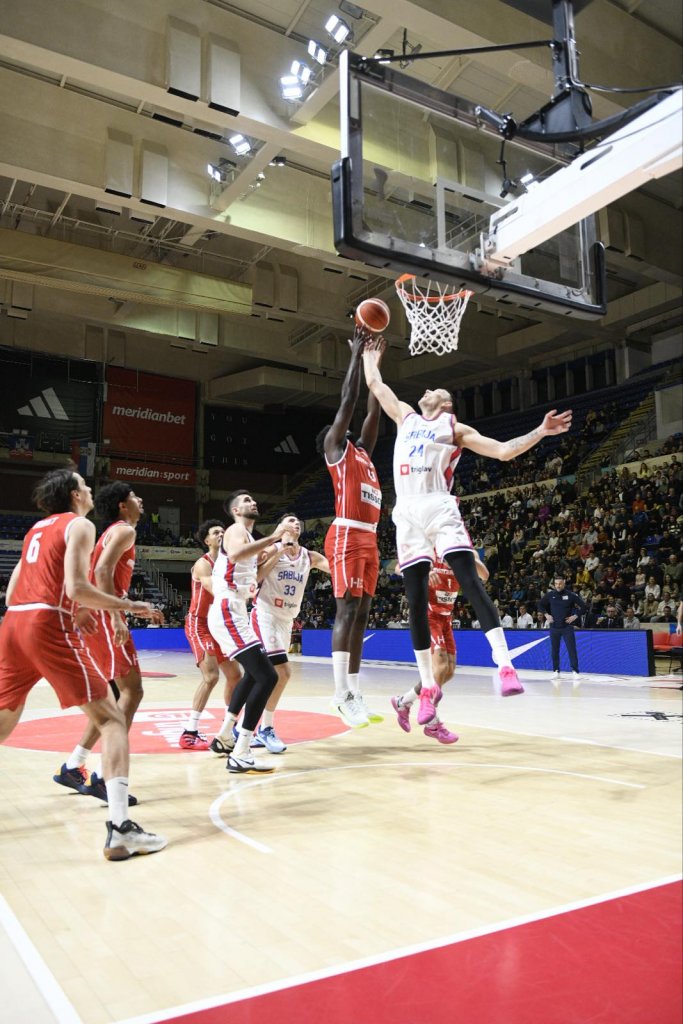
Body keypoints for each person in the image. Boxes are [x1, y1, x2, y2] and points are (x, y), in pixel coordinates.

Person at [363, 337, 572, 701]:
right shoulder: (405, 416)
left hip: (437, 504)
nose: (426, 390)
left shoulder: (455, 429)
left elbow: (504, 451)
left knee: (471, 581)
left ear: (445, 404)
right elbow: (375, 385)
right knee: (414, 600)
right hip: (406, 510)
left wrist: (541, 431)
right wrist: (369, 356)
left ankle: (504, 664)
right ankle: (423, 688)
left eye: (435, 390)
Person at [0, 468, 166, 860]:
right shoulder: (79, 525)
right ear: (75, 495)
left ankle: (79, 769)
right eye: (85, 486)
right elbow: (77, 587)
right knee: (112, 719)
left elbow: (11, 592)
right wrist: (129, 605)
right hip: (46, 624)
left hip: (13, 624)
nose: (90, 491)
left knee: (4, 718)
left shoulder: (35, 530)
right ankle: (121, 830)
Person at [53, 482, 153, 805]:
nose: (140, 499)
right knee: (132, 691)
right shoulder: (124, 531)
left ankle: (74, 765)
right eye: (134, 496)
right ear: (123, 505)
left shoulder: (110, 532)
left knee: (111, 698)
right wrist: (117, 617)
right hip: (105, 618)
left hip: (97, 616)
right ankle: (103, 775)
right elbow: (101, 569)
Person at [315, 326, 384, 729]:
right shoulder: (337, 452)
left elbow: (373, 412)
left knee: (362, 614)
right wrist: (357, 357)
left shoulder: (365, 456)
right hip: (346, 534)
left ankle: (354, 692)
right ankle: (339, 694)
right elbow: (350, 400)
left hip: (369, 538)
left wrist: (375, 365)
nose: (345, 427)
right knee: (347, 610)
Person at [206, 490, 292, 773]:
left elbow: (254, 576)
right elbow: (235, 553)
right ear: (235, 511)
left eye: (253, 499)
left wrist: (279, 550)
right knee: (268, 676)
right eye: (245, 501)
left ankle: (225, 736)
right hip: (228, 608)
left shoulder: (249, 538)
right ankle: (241, 751)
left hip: (236, 609)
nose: (252, 502)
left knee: (254, 675)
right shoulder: (235, 530)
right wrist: (275, 537)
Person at [248, 514, 329, 752]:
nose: (296, 523)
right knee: (281, 673)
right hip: (265, 615)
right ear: (281, 527)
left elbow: (336, 569)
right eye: (291, 520)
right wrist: (280, 550)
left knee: (266, 676)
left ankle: (245, 727)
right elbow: (256, 578)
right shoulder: (270, 550)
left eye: (298, 522)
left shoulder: (309, 556)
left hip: (286, 620)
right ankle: (264, 728)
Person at [391, 553, 488, 743]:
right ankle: (432, 724)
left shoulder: (463, 551)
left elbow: (484, 575)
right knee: (440, 667)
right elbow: (397, 567)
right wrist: (423, 572)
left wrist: (469, 558)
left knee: (448, 672)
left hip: (446, 618)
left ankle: (403, 701)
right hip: (428, 616)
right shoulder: (429, 550)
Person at [180, 519, 242, 751]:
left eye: (223, 531)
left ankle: (229, 728)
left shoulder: (229, 564)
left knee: (235, 675)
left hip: (219, 624)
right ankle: (189, 732)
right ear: (206, 540)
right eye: (216, 532)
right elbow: (211, 586)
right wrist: (238, 591)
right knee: (211, 677)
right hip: (200, 624)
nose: (221, 534)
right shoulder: (203, 564)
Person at [538, 574, 587, 682]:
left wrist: (575, 616)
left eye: (560, 583)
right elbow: (540, 605)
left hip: (567, 627)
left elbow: (584, 607)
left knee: (571, 650)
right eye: (556, 584)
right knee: (554, 650)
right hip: (554, 627)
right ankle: (556, 671)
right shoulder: (550, 595)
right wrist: (546, 614)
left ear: (564, 583)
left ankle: (575, 671)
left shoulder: (570, 595)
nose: (558, 585)